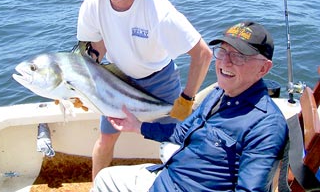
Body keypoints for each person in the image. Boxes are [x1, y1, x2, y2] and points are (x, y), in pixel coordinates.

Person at [93, 21, 289, 192]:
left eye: (239, 56)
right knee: (105, 177)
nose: (225, 62)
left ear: (264, 68)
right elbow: (182, 132)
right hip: (169, 177)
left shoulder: (267, 127)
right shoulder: (218, 94)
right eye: (222, 52)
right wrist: (137, 126)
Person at [76, 0, 212, 180]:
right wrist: (79, 86)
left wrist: (187, 98)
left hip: (160, 80)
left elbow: (203, 54)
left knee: (177, 139)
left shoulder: (159, 11)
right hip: (118, 80)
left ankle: (182, 183)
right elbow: (96, 46)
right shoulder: (92, 3)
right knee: (105, 139)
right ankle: (98, 186)